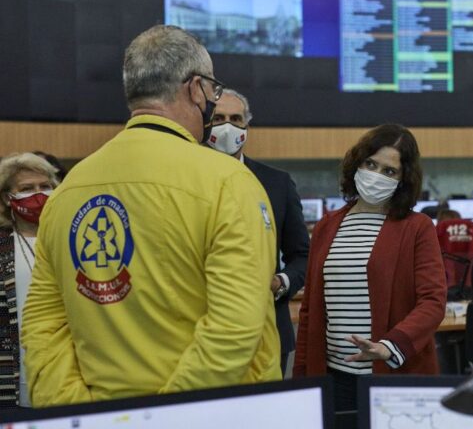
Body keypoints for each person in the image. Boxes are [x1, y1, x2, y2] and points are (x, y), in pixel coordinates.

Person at [21, 25, 281, 407]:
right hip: (209, 413)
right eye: (212, 90)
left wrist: (82, 409)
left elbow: (43, 325)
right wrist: (163, 416)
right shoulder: (228, 181)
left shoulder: (68, 190)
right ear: (195, 89)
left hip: (101, 413)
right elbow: (235, 328)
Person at [293, 124, 447, 414]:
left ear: (403, 179)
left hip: (392, 375)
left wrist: (390, 345)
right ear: (357, 164)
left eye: (389, 171)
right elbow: (310, 311)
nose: (376, 176)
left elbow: (433, 302)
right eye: (371, 164)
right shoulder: (328, 226)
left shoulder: (417, 228)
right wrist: (302, 376)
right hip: (333, 376)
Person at [206, 88, 309, 375]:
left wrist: (280, 282)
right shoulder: (184, 178)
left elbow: (302, 255)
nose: (228, 126)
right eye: (219, 118)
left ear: (247, 126)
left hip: (268, 330)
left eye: (237, 119)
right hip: (201, 330)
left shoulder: (278, 183)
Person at [0, 153, 59, 408]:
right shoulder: (3, 245)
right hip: (14, 372)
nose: (38, 194)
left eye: (45, 186)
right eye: (26, 188)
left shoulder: (69, 238)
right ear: (6, 197)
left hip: (63, 368)